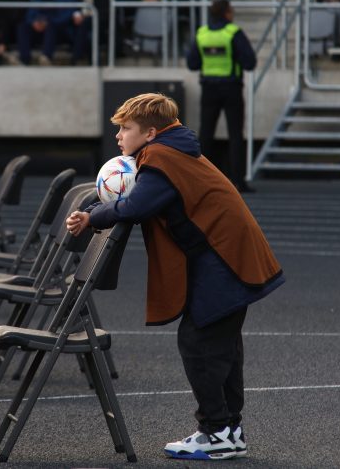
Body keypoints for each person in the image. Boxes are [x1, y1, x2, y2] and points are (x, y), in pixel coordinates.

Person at [65, 92, 283, 460]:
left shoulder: (162, 157)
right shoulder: (171, 149)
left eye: (125, 128)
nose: (119, 136)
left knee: (200, 344)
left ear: (150, 133)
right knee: (221, 347)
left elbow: (137, 205)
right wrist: (97, 207)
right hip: (226, 257)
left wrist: (93, 216)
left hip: (224, 260)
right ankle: (228, 430)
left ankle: (216, 432)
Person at [184, 0, 258, 192]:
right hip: (231, 87)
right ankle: (238, 181)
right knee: (235, 135)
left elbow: (192, 64)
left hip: (208, 88)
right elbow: (250, 62)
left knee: (206, 134)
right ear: (227, 13)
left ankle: (201, 179)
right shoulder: (233, 33)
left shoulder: (202, 33)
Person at [17, 0, 74, 65]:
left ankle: (46, 57)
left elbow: (67, 14)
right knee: (23, 26)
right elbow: (31, 11)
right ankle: (24, 59)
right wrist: (35, 21)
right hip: (41, 29)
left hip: (59, 31)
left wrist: (47, 21)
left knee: (52, 26)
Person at [68, 0, 106, 65]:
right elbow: (73, 7)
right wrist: (76, 15)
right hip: (80, 26)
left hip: (101, 27)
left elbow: (104, 15)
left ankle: (76, 59)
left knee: (90, 35)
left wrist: (85, 18)